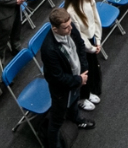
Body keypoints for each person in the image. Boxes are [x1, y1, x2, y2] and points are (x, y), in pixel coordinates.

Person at [41, 8, 95, 148]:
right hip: (61, 89)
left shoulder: (69, 26)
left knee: (74, 101)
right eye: (65, 28)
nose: (70, 29)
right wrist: (78, 80)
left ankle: (76, 119)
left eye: (70, 24)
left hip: (77, 77)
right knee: (56, 121)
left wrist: (83, 70)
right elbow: (57, 78)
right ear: (55, 29)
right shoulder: (49, 49)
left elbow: (81, 46)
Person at [63, 0, 104, 112]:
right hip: (81, 46)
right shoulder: (71, 11)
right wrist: (91, 48)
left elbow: (96, 19)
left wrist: (97, 40)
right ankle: (82, 98)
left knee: (92, 68)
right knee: (83, 70)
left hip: (91, 41)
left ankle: (89, 92)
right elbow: (79, 36)